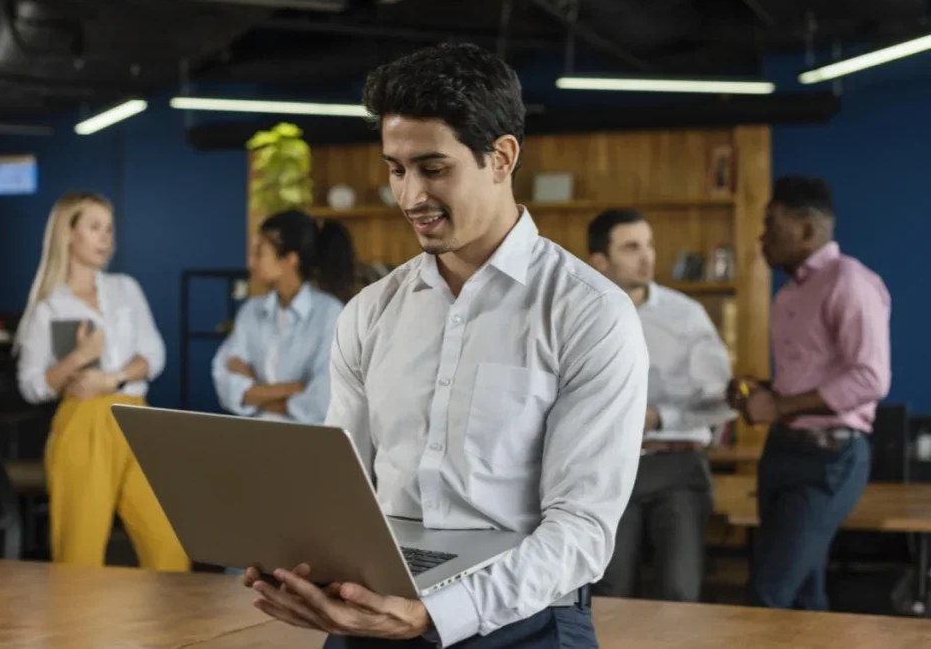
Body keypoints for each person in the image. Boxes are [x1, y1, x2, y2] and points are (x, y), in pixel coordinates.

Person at [240, 42, 648, 648]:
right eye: (395, 169)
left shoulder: (590, 315)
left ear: (502, 156)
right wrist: (303, 569)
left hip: (525, 621)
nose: (409, 197)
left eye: (433, 169)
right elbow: (339, 490)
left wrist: (436, 614)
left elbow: (582, 530)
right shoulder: (369, 314)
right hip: (376, 612)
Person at [728, 175, 891, 610]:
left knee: (768, 593)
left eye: (771, 226)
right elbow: (803, 380)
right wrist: (760, 391)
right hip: (783, 451)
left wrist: (778, 404)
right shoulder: (789, 294)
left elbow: (871, 378)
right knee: (802, 594)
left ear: (806, 228)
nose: (762, 238)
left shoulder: (850, 281)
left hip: (829, 459)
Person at [15, 191, 188, 570]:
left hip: (136, 419)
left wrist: (110, 378)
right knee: (79, 556)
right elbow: (31, 385)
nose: (106, 238)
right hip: (82, 424)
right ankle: (76, 630)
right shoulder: (48, 308)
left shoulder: (126, 288)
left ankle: (172, 631)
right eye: (94, 227)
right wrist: (79, 357)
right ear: (68, 234)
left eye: (109, 229)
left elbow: (154, 355)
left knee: (170, 548)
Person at [587, 209, 734, 603]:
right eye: (632, 247)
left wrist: (659, 417)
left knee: (679, 594)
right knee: (610, 593)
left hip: (676, 465)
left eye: (649, 245)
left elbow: (723, 400)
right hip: (608, 467)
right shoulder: (579, 314)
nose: (647, 256)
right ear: (599, 261)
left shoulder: (686, 315)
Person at [212, 210, 353, 423]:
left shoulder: (330, 314)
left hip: (309, 442)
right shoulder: (251, 311)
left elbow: (322, 400)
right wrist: (292, 388)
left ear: (290, 259)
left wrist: (256, 391)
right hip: (255, 437)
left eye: (259, 253)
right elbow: (223, 377)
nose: (250, 262)